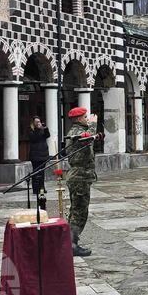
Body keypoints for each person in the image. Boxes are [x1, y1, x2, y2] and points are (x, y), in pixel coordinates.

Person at [63, 106, 96, 257]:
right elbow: (89, 137)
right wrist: (94, 125)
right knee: (79, 212)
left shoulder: (77, 130)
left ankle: (71, 242)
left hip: (81, 176)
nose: (87, 119)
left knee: (79, 210)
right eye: (85, 117)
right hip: (79, 177)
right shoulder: (76, 132)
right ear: (78, 119)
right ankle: (71, 244)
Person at [28, 116, 51, 209]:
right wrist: (38, 129)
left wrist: (45, 128)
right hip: (35, 155)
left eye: (39, 121)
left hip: (43, 154)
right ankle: (35, 189)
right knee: (36, 172)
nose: (38, 123)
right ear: (33, 123)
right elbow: (34, 138)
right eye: (36, 122)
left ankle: (42, 188)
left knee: (42, 172)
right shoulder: (31, 131)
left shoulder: (42, 129)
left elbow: (47, 135)